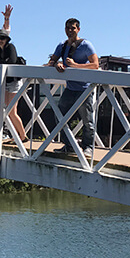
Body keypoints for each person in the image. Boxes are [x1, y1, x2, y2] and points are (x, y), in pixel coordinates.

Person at [46, 18, 99, 157]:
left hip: (85, 89)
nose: (70, 31)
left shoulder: (86, 45)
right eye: (67, 28)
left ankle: (88, 147)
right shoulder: (62, 45)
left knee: (87, 120)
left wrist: (75, 65)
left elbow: (95, 65)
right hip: (70, 88)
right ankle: (69, 145)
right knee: (59, 117)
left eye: (73, 28)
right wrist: (56, 63)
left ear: (78, 29)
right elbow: (51, 61)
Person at [0, 29, 27, 142]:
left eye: (3, 38)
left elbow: (12, 60)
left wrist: (0, 62)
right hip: (5, 83)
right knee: (6, 110)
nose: (0, 41)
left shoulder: (10, 47)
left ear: (7, 39)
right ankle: (17, 136)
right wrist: (2, 61)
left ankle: (23, 136)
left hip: (14, 82)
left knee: (12, 111)